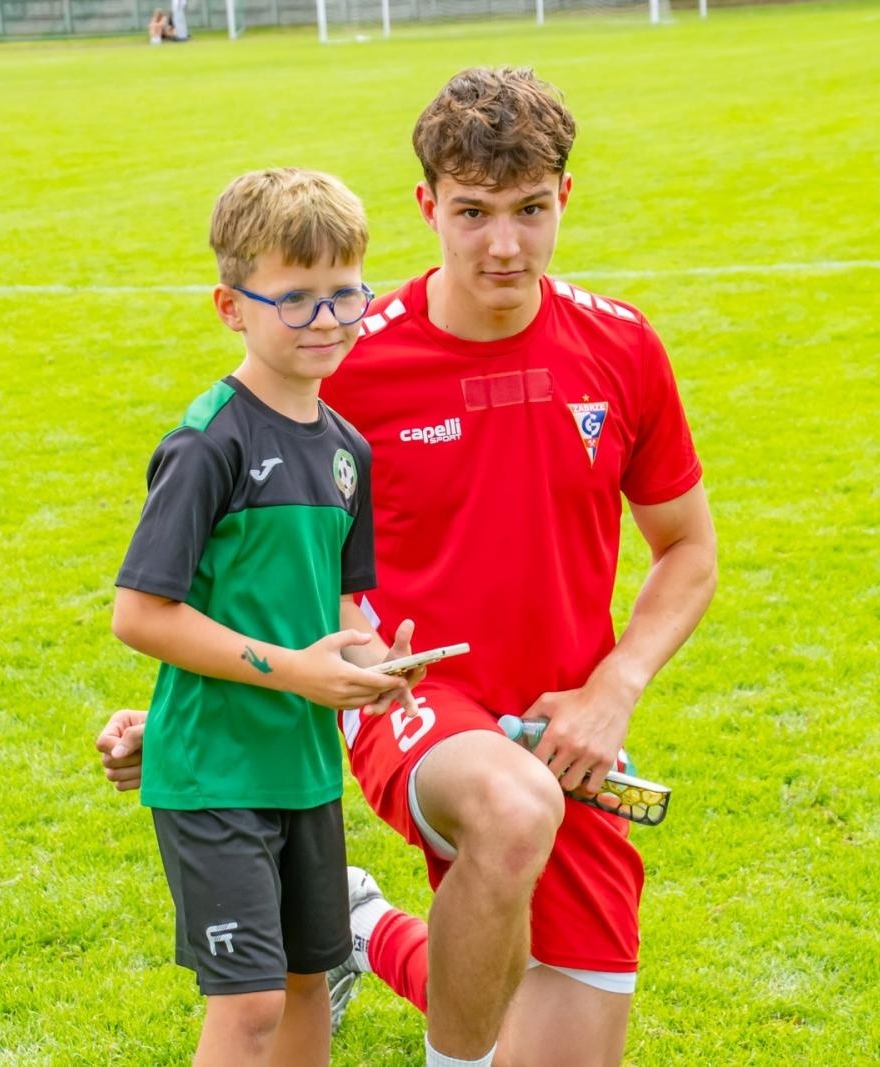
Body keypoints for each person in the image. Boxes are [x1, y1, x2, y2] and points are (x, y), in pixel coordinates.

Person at [100, 67, 718, 1067]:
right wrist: (178, 709)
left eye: (530, 209)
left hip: (562, 722)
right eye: (472, 213)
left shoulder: (620, 345)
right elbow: (232, 546)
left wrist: (613, 690)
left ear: (565, 197)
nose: (504, 245)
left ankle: (365, 927)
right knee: (513, 811)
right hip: (408, 697)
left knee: (549, 1031)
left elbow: (687, 551)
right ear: (428, 206)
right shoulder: (344, 352)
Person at [109, 168, 423, 1067]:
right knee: (247, 1005)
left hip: (305, 769)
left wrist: (373, 660)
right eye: (294, 299)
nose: (327, 320)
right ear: (230, 305)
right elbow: (140, 614)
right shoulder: (210, 441)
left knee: (306, 990)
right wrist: (297, 672)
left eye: (344, 295)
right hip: (215, 775)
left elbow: (338, 609)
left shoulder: (347, 450)